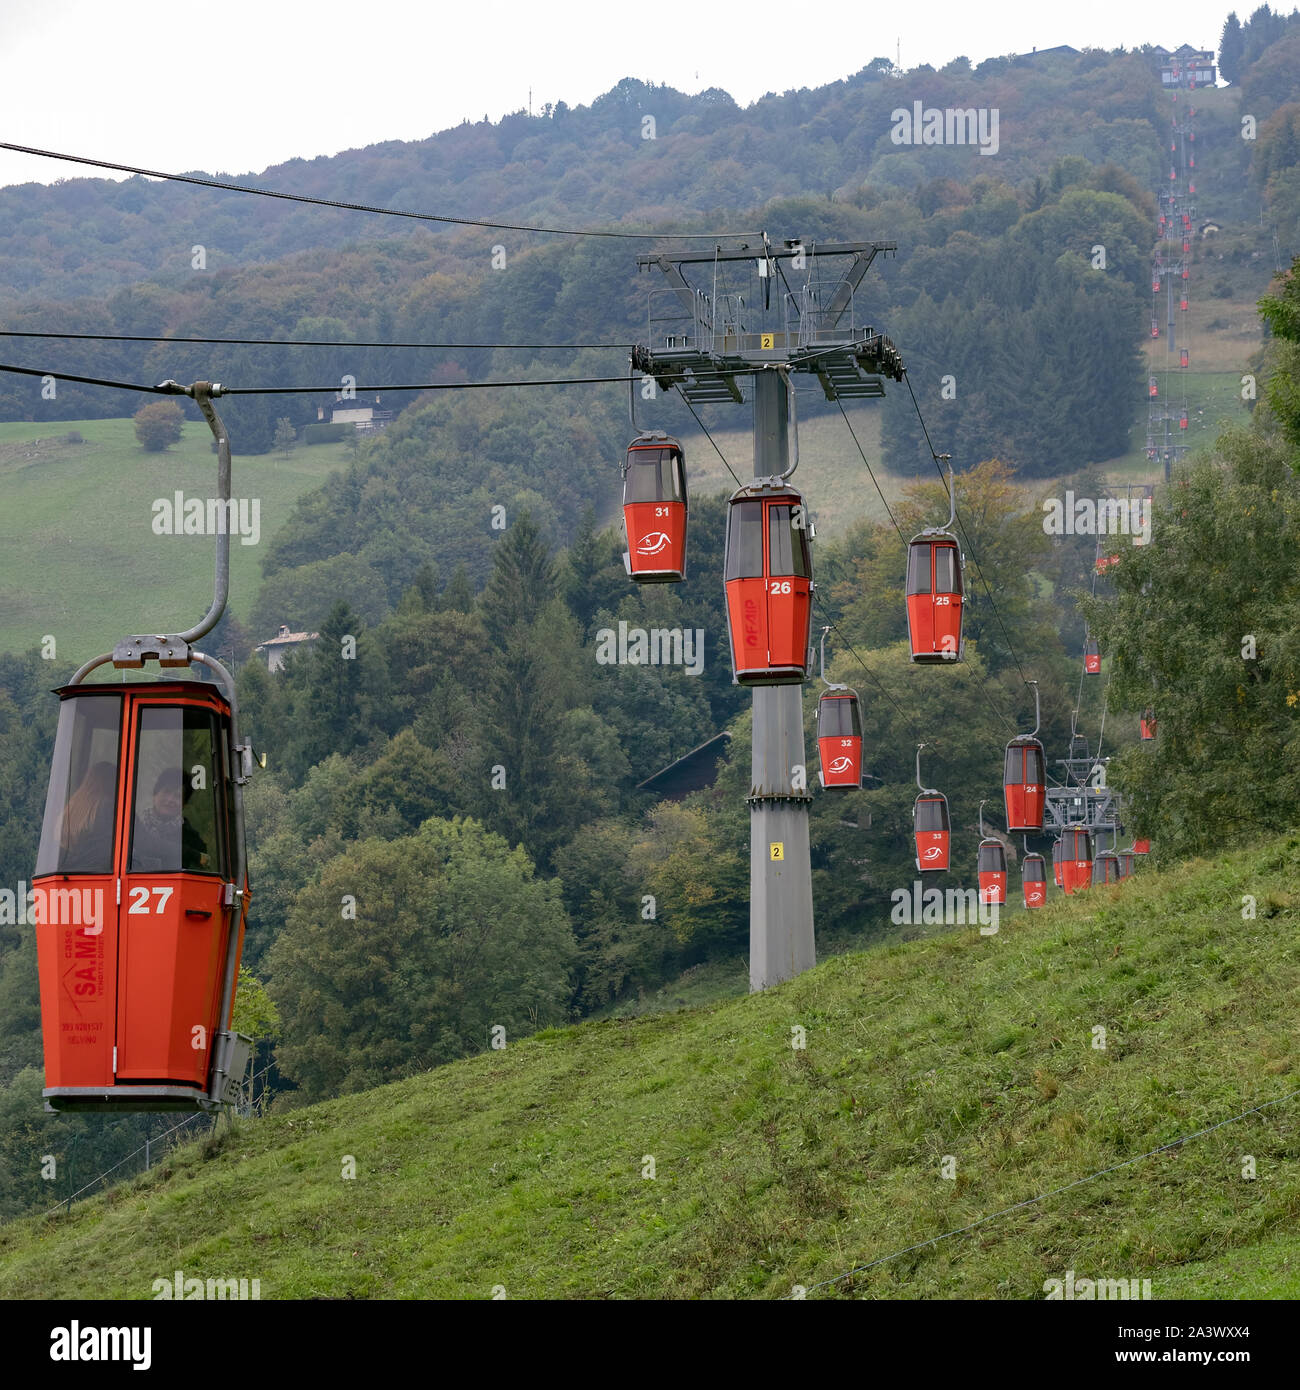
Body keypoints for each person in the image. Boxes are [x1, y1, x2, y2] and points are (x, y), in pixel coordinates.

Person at [132, 771, 213, 872]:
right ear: (154, 794)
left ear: (184, 804)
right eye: (166, 792)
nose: (170, 799)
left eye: (177, 796)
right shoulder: (132, 825)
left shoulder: (193, 839)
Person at [59, 761, 118, 872]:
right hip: (97, 875)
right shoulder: (108, 809)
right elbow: (144, 842)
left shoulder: (72, 807)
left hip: (69, 879)